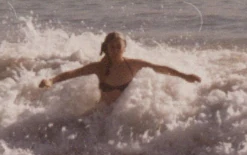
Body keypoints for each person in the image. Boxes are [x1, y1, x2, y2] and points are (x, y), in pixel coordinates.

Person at [39, 32, 201, 105]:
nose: (115, 50)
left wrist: (184, 76)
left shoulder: (132, 64)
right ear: (107, 48)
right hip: (102, 115)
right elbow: (73, 73)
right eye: (112, 47)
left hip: (122, 116)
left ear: (124, 48)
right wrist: (51, 80)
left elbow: (159, 68)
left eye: (118, 47)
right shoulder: (99, 67)